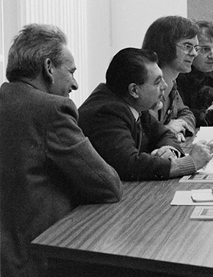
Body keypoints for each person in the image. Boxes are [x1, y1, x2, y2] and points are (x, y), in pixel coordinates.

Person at [0, 24, 122, 277]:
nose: (76, 84)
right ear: (48, 68)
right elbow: (107, 185)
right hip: (42, 257)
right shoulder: (52, 110)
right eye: (71, 71)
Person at [78, 48, 213, 181]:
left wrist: (168, 149)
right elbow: (129, 164)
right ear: (134, 90)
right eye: (157, 81)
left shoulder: (134, 105)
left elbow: (164, 134)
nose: (165, 86)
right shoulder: (107, 113)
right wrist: (189, 163)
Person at [141, 16, 198, 141]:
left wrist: (179, 126)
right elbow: (142, 137)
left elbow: (186, 113)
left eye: (195, 48)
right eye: (187, 46)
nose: (194, 53)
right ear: (165, 46)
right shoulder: (144, 85)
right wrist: (167, 130)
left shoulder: (171, 82)